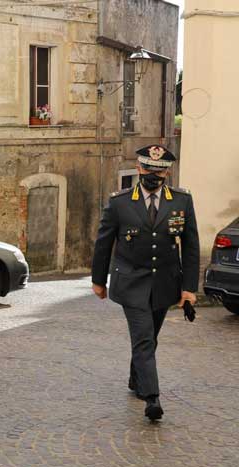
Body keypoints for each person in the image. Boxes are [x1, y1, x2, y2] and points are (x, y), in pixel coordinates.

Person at [91, 145, 199, 422]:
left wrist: (189, 288)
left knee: (150, 338)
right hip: (131, 281)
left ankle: (135, 378)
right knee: (143, 337)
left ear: (167, 171)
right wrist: (98, 280)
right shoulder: (120, 202)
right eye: (148, 169)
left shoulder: (181, 201)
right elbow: (104, 243)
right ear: (139, 168)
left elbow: (190, 246)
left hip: (165, 282)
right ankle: (152, 398)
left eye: (160, 170)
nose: (154, 174)